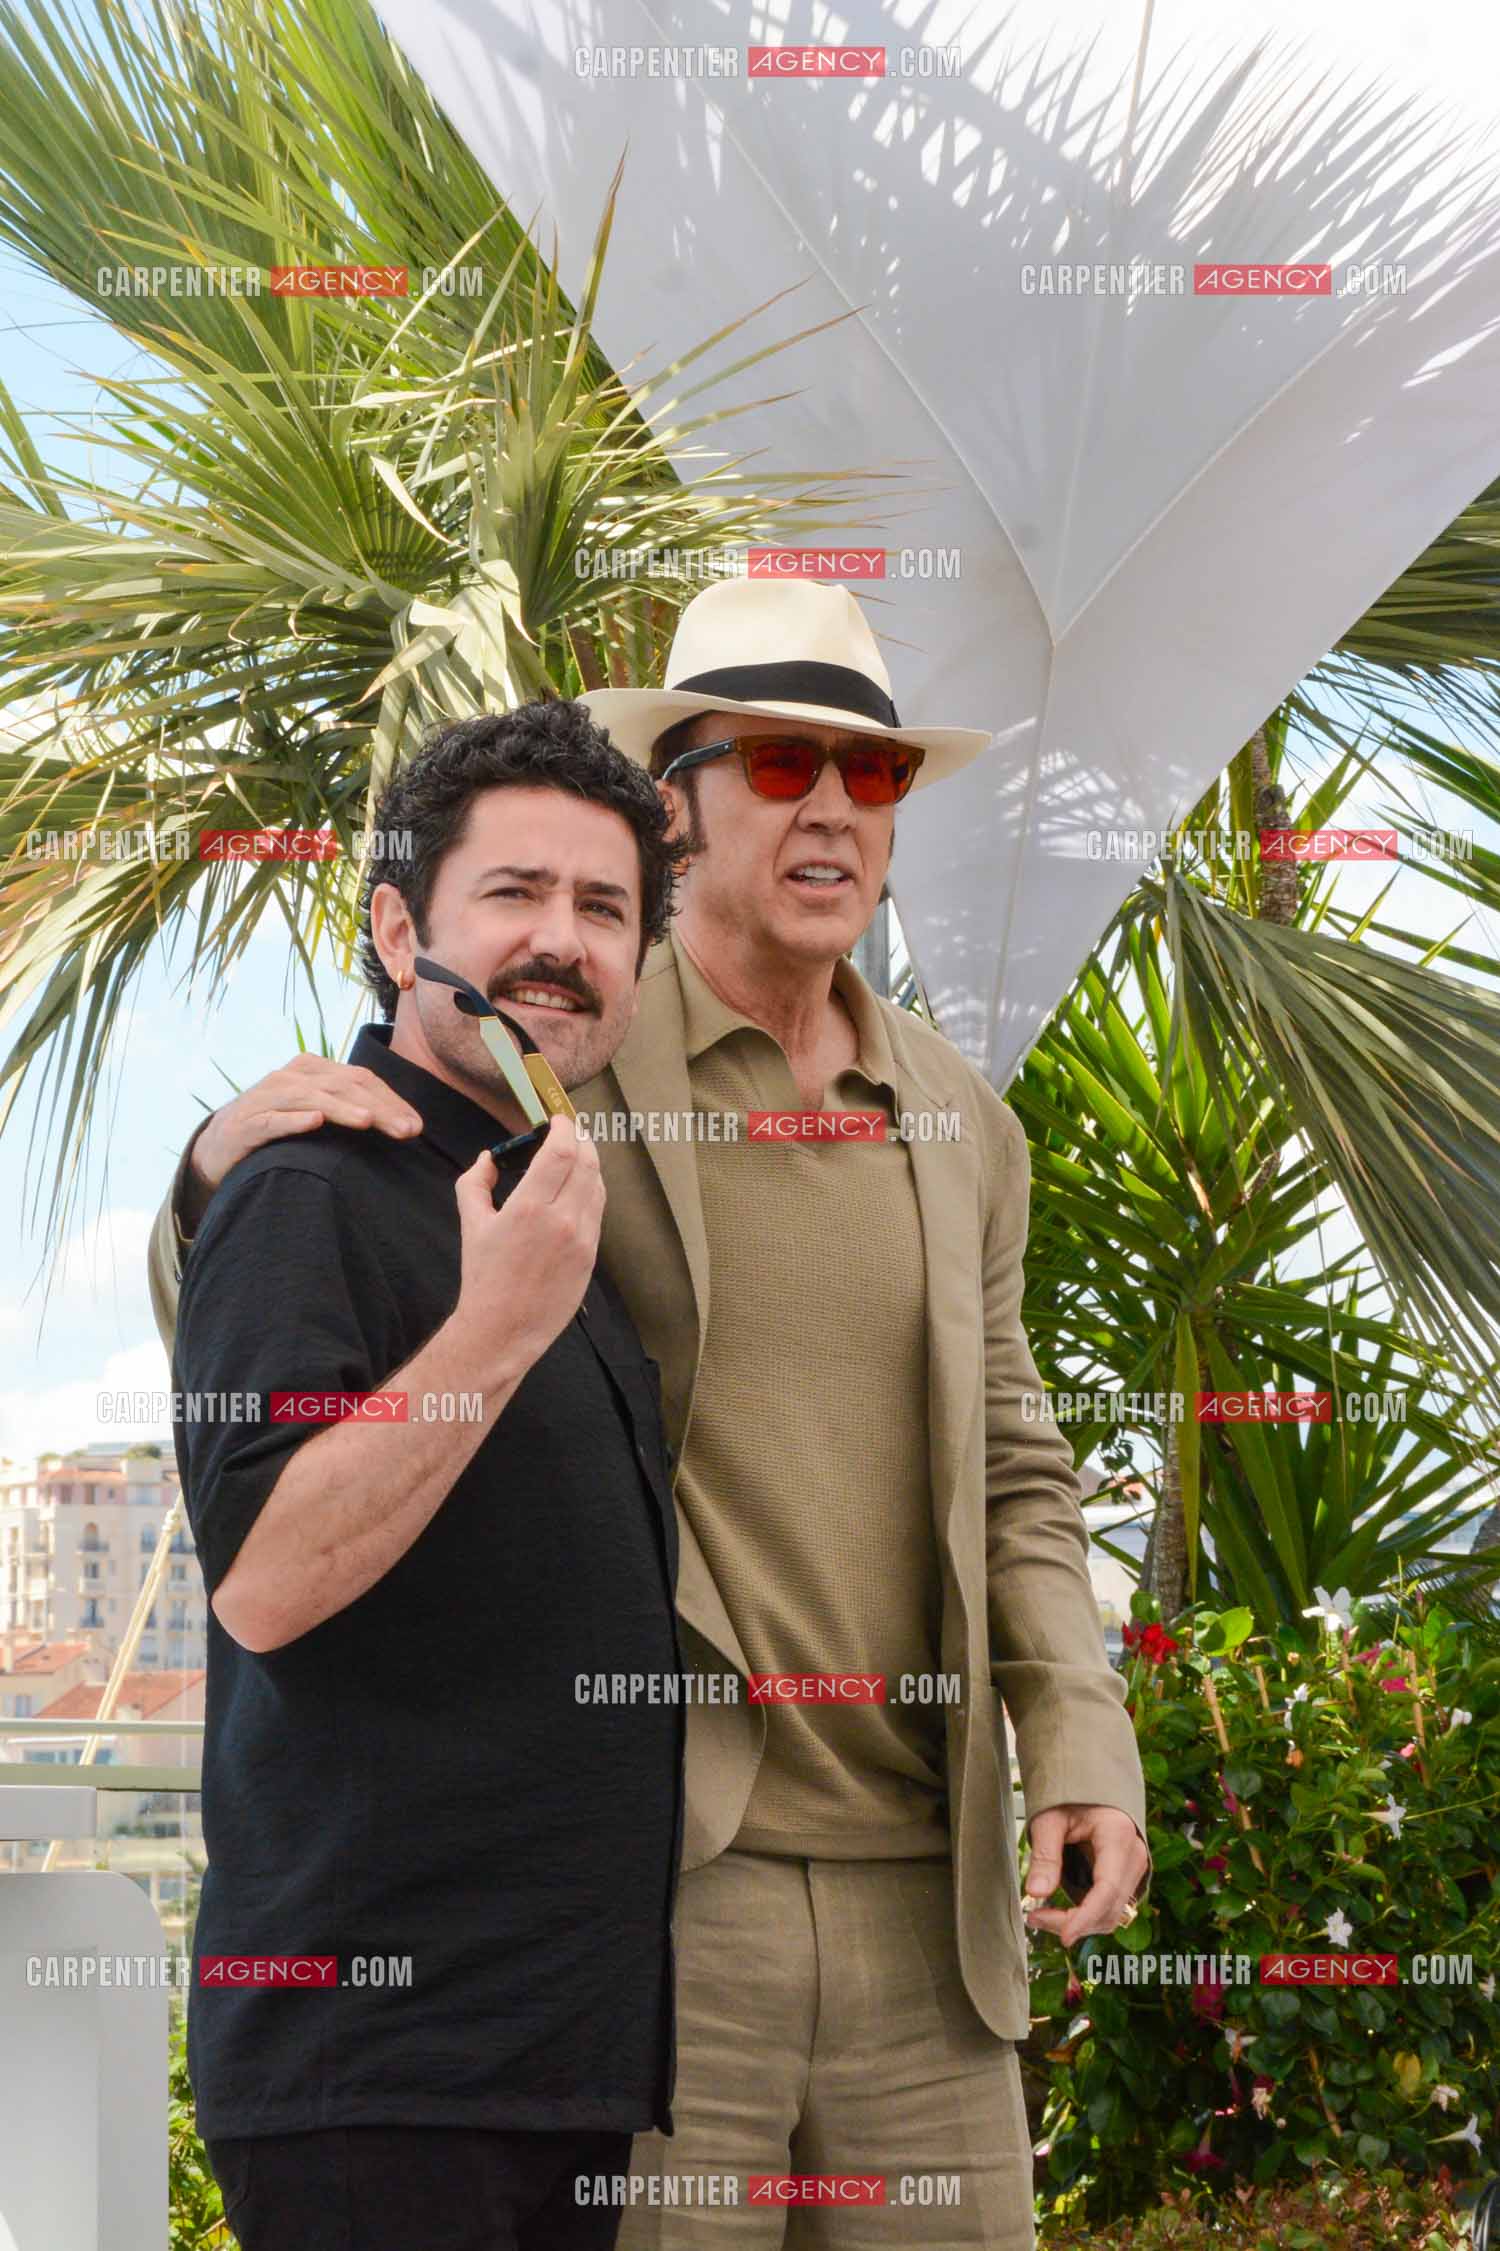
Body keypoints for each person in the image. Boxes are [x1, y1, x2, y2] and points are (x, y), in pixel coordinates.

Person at [150, 578, 1151, 2249]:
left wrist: (1082, 1743)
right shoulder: (556, 1044)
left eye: (873, 775)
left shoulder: (961, 1120)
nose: (830, 807)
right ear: (679, 807)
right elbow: (319, 1271)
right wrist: (201, 1174)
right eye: (777, 763)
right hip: (671, 1902)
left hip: (931, 1899)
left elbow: (1018, 1469)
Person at [168, 705, 691, 2251]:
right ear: (402, 929)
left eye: (605, 910)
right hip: (376, 2084)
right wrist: (496, 1331)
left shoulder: (543, 1199)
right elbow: (262, 1576)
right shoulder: (306, 1187)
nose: (563, 942)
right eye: (515, 895)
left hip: (556, 2075)